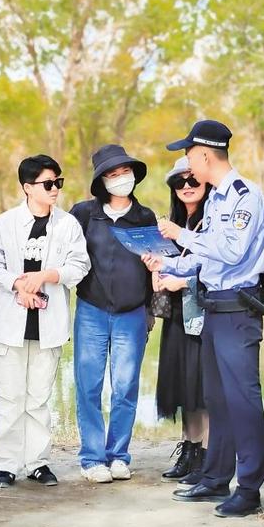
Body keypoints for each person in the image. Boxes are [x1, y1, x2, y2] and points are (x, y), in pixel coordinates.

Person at [144, 119, 264, 518]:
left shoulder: (244, 196)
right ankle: (216, 478)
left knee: (242, 400)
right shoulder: (216, 200)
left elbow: (232, 251)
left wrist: (179, 235)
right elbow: (206, 257)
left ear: (204, 155)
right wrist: (168, 265)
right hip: (214, 306)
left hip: (238, 308)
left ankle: (248, 489)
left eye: (188, 155)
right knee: (217, 398)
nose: (186, 164)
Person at [0, 155, 90, 489]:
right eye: (48, 184)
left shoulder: (67, 225)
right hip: (9, 326)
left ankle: (38, 463)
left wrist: (47, 275)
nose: (55, 189)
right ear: (27, 187)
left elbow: (80, 266)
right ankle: (6, 466)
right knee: (9, 399)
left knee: (39, 399)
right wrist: (17, 284)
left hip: (49, 325)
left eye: (58, 182)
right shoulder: (5, 223)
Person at [69, 144, 156, 483]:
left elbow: (155, 266)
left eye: (125, 172)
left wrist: (149, 310)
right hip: (91, 311)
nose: (121, 178)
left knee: (125, 387)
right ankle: (92, 458)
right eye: (113, 174)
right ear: (101, 180)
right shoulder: (84, 214)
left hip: (132, 314)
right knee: (88, 386)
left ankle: (118, 455)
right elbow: (68, 258)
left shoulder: (145, 217)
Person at [155, 156, 211, 484]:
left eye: (192, 180)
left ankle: (207, 456)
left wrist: (185, 282)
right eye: (179, 182)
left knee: (202, 388)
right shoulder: (174, 224)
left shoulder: (212, 220)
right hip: (177, 313)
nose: (186, 187)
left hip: (203, 314)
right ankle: (189, 450)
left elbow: (219, 267)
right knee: (183, 386)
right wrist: (156, 267)